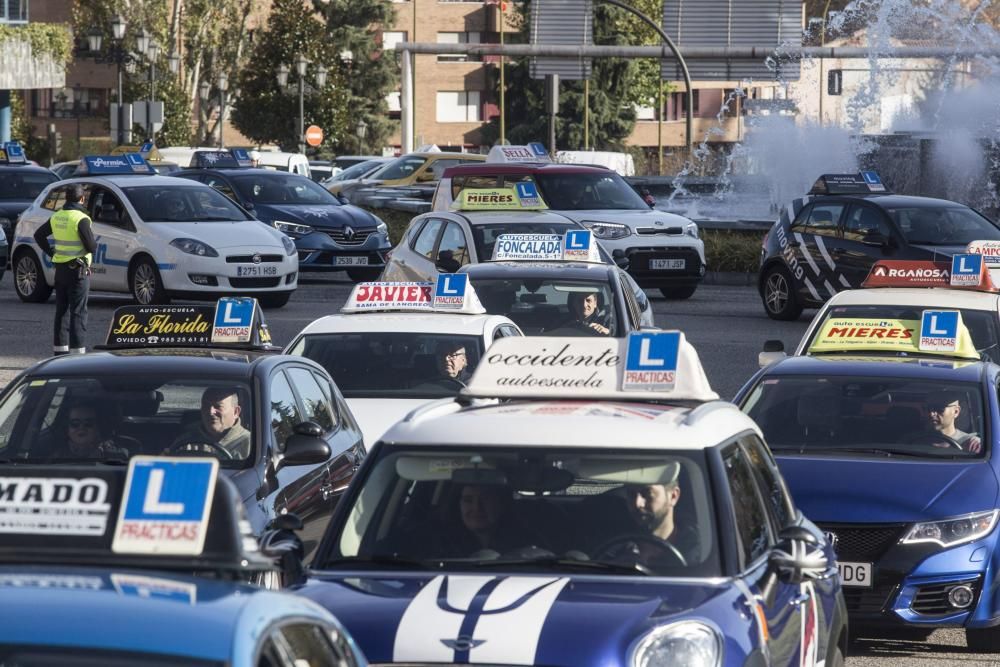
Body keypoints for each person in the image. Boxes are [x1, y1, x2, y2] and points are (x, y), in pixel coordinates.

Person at [34, 184, 96, 355]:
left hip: (60, 270)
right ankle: (77, 355)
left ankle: (59, 353)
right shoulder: (80, 218)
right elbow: (91, 247)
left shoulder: (57, 216)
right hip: (77, 272)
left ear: (66, 198)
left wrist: (51, 252)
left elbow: (38, 235)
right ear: (82, 199)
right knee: (78, 312)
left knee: (62, 311)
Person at [620, 462, 699, 564]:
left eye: (647, 493)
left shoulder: (696, 553)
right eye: (631, 494)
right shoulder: (615, 549)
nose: (638, 503)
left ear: (673, 496)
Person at [170, 387, 251, 459]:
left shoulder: (251, 445)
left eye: (218, 406)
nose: (210, 412)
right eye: (206, 406)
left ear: (236, 412)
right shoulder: (186, 442)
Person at [51, 401, 129, 459]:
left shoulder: (115, 455)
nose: (81, 427)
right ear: (67, 429)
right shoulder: (56, 457)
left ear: (97, 428)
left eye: (88, 423)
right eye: (75, 424)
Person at [914, 391, 982, 453]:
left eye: (939, 408)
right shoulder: (912, 441)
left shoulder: (970, 444)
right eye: (928, 408)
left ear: (956, 412)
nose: (931, 414)